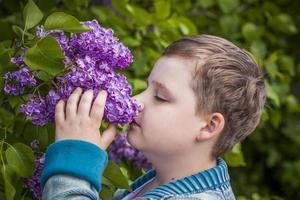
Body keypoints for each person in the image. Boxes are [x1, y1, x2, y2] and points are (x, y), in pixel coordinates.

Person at [41, 34, 267, 200]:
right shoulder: (155, 184)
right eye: (147, 88)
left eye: (160, 97)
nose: (136, 101)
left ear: (209, 126)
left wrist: (73, 166)